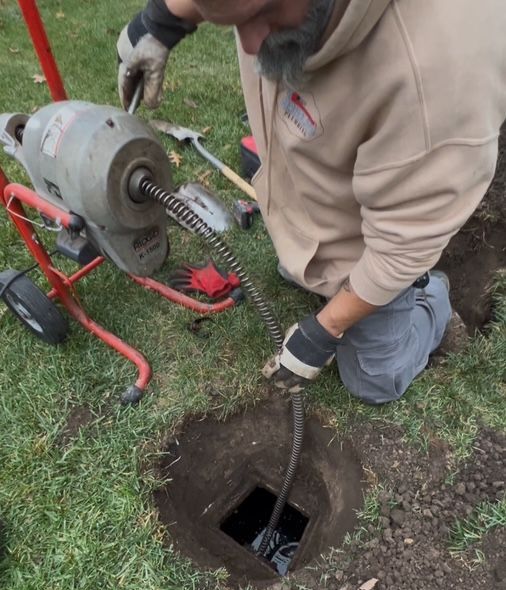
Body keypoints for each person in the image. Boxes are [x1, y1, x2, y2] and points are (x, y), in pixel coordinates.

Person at [117, 0, 506, 404]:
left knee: (374, 379)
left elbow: (402, 246)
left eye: (266, 13)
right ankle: (311, 251)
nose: (250, 46)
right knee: (297, 266)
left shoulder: (436, 87)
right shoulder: (283, 17)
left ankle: (430, 301)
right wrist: (163, 21)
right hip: (322, 195)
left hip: (387, 241)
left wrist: (325, 329)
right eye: (239, 22)